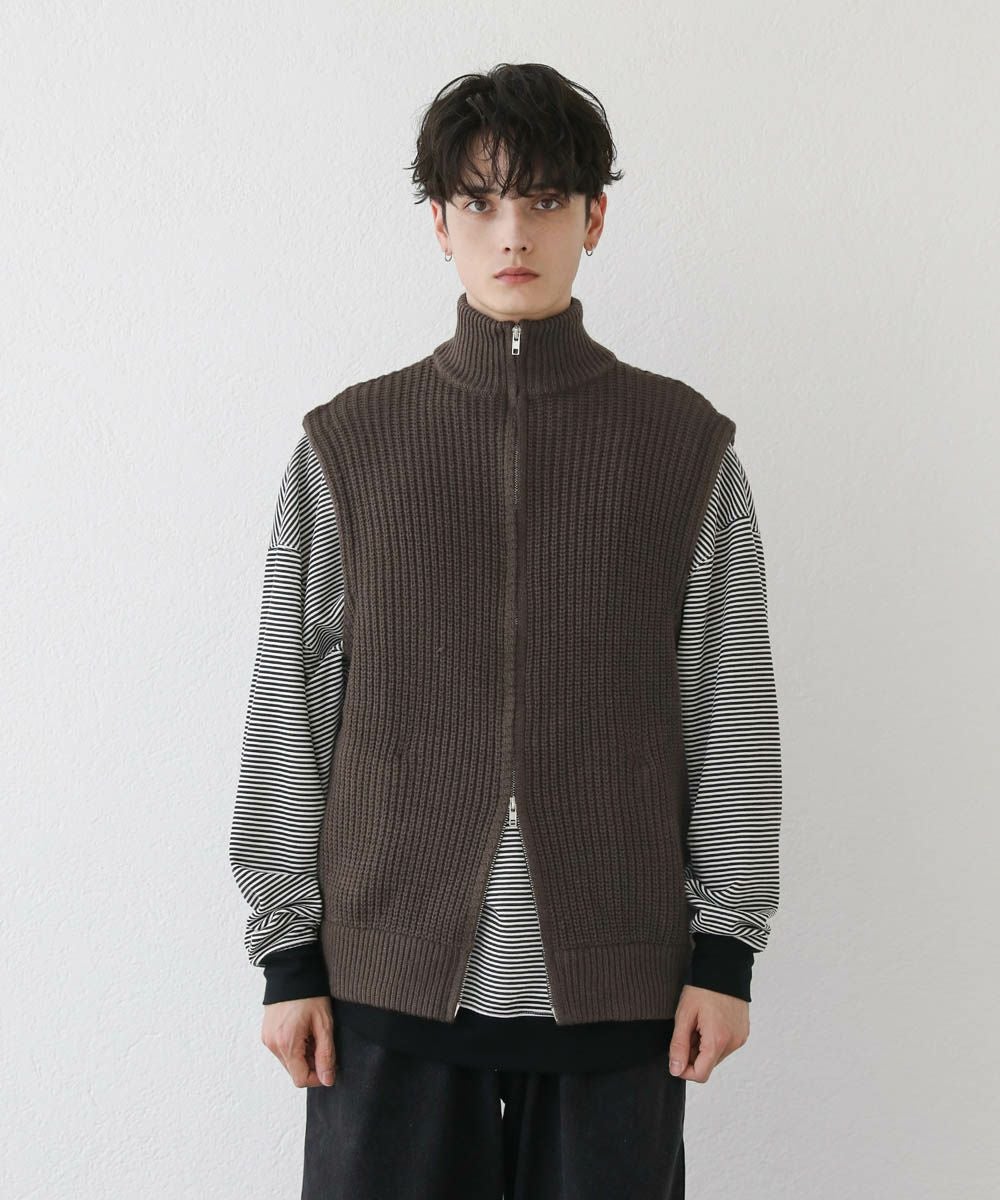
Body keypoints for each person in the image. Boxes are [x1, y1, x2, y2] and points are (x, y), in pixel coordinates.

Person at [229, 61, 782, 1200]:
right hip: (383, 987)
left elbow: (726, 702)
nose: (513, 231)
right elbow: (292, 697)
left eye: (543, 198)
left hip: (618, 994)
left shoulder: (683, 447)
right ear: (439, 224)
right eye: (479, 202)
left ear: (594, 217)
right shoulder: (351, 445)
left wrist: (726, 948)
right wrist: (287, 953)